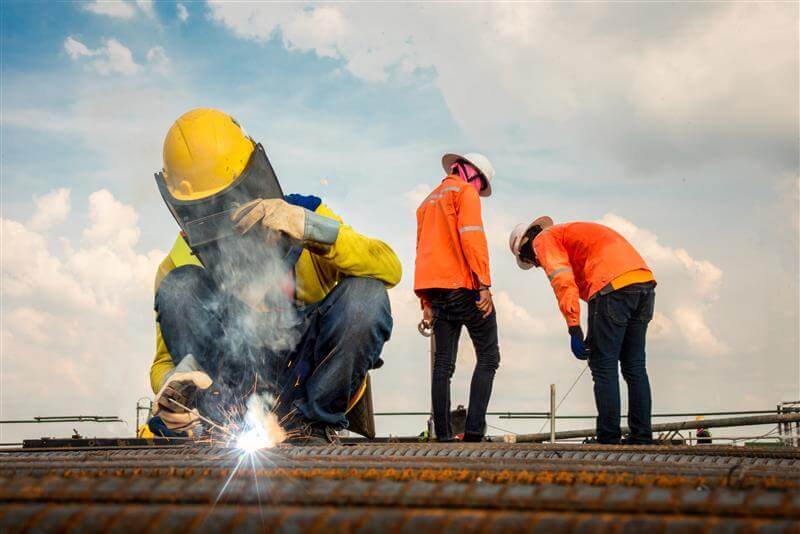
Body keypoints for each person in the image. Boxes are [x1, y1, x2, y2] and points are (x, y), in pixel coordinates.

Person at [149, 108, 401, 444]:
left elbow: (389, 267)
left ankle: (314, 425)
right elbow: (165, 362)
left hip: (307, 376)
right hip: (230, 389)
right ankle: (217, 424)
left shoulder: (304, 214)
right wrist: (172, 385)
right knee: (179, 288)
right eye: (208, 211)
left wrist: (310, 228)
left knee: (366, 296)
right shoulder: (179, 263)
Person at [509, 217, 656, 445]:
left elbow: (563, 281)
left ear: (526, 243)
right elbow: (586, 284)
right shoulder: (568, 234)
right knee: (634, 366)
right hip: (642, 281)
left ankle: (608, 437)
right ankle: (642, 436)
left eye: (530, 260)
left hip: (612, 286)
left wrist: (573, 326)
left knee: (603, 365)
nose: (537, 264)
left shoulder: (543, 240)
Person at [414, 152, 500, 442]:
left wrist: (425, 302)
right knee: (489, 356)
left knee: (442, 365)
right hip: (464, 286)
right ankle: (474, 432)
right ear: (472, 175)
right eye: (480, 184)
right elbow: (472, 238)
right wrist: (484, 284)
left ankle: (443, 435)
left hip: (435, 290)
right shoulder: (464, 192)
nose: (478, 190)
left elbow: (421, 253)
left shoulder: (426, 203)